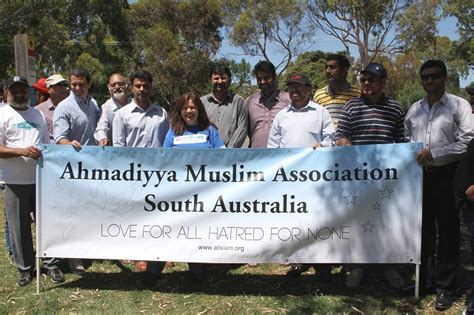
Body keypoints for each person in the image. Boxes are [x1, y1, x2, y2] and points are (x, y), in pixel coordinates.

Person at [405, 59, 473, 311]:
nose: (429, 81)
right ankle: (423, 282)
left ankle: (446, 286)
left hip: (447, 176)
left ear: (444, 77)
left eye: (434, 76)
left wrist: (436, 153)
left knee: (447, 232)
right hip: (419, 177)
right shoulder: (414, 109)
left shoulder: (458, 105)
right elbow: (406, 140)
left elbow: (468, 141)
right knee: (422, 231)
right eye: (425, 77)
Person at [335, 63, 405, 289]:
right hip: (356, 176)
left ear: (383, 82)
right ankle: (357, 265)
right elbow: (341, 136)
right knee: (358, 222)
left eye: (371, 80)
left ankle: (389, 265)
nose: (366, 83)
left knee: (385, 222)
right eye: (363, 79)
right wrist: (347, 146)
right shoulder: (350, 107)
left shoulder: (395, 108)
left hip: (385, 178)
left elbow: (401, 141)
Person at [0, 75, 64, 286]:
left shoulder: (36, 114)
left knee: (47, 224)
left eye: (23, 90)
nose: (20, 93)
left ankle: (51, 264)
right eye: (15, 90)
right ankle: (25, 269)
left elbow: (47, 145)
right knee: (20, 227)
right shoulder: (2, 114)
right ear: (6, 92)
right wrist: (21, 151)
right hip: (14, 182)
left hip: (41, 180)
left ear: (28, 92)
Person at [112, 70, 169, 283]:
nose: (141, 89)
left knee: (156, 216)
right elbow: (118, 149)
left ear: (151, 87)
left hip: (157, 175)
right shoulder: (122, 114)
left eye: (145, 85)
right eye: (138, 86)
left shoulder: (162, 113)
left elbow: (166, 145)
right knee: (136, 217)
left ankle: (157, 255)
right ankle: (139, 255)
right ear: (132, 87)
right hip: (133, 175)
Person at [267, 74, 334, 149]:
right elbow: (273, 146)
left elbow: (330, 138)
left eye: (299, 86)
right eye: (291, 87)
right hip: (288, 160)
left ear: (309, 89)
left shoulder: (321, 112)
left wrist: (322, 146)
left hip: (315, 160)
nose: (294, 90)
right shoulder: (281, 116)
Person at [201, 60, 248, 148]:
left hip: (230, 155)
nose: (219, 81)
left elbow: (242, 128)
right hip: (206, 154)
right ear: (210, 80)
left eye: (223, 78)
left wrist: (227, 152)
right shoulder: (202, 102)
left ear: (229, 80)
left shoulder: (239, 102)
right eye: (216, 78)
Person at [246, 61, 290, 148]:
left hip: (283, 157)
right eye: (259, 79)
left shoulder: (288, 100)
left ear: (274, 77)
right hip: (256, 157)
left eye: (266, 78)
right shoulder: (250, 101)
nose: (262, 82)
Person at [53, 68, 99, 148]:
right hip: (76, 157)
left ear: (89, 84)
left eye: (81, 85)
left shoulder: (93, 104)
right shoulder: (63, 107)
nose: (77, 88)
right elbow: (59, 137)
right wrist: (68, 144)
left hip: (95, 156)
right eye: (74, 85)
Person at [313, 54, 361, 127]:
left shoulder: (358, 94)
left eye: (332, 67)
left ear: (344, 70)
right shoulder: (319, 95)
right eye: (326, 67)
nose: (327, 71)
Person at [94, 73, 131, 146]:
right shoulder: (106, 107)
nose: (117, 87)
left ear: (126, 86)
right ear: (109, 88)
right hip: (115, 153)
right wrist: (102, 138)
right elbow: (101, 127)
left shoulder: (135, 104)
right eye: (113, 85)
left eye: (120, 84)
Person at [35, 74, 70, 142]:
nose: (63, 88)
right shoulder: (38, 111)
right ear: (49, 89)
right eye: (59, 85)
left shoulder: (71, 108)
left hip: (68, 149)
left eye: (64, 84)